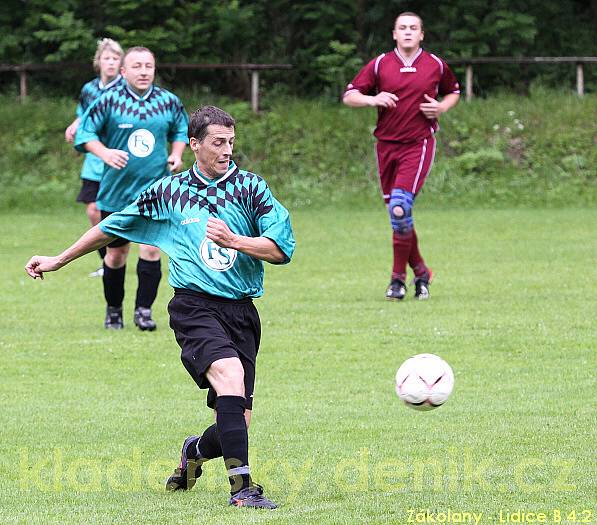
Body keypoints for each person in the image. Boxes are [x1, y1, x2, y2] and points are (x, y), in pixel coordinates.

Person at [25, 105, 295, 509]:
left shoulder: (252, 189)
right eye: (218, 142)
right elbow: (111, 226)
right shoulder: (169, 192)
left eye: (231, 142)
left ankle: (194, 453)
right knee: (230, 374)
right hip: (194, 306)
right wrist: (59, 259)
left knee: (236, 420)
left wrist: (235, 241)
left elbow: (280, 249)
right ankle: (243, 491)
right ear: (194, 144)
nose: (226, 150)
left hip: (242, 311)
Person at [343, 12, 460, 300]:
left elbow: (454, 91)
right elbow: (350, 95)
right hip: (385, 146)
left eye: (413, 28)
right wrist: (372, 98)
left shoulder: (435, 65)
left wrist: (442, 108)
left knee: (399, 206)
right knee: (400, 216)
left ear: (422, 34)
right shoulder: (381, 64)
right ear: (394, 34)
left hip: (418, 145)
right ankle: (422, 272)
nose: (408, 32)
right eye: (402, 28)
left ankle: (397, 280)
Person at [74, 46, 189, 330]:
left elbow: (181, 130)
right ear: (124, 71)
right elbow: (84, 134)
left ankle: (144, 312)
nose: (143, 71)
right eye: (136, 66)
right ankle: (114, 311)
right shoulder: (108, 101)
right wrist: (104, 153)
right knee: (116, 254)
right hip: (116, 193)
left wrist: (176, 154)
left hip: (155, 192)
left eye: (148, 66)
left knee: (151, 250)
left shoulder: (168, 101)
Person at [65, 38, 124, 277]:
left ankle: (121, 255)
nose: (110, 63)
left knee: (116, 211)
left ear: (121, 64)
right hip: (94, 157)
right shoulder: (89, 89)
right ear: (98, 62)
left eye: (115, 58)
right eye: (106, 58)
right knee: (93, 210)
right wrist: (75, 124)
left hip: (119, 157)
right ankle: (106, 258)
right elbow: (85, 114)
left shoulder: (125, 89)